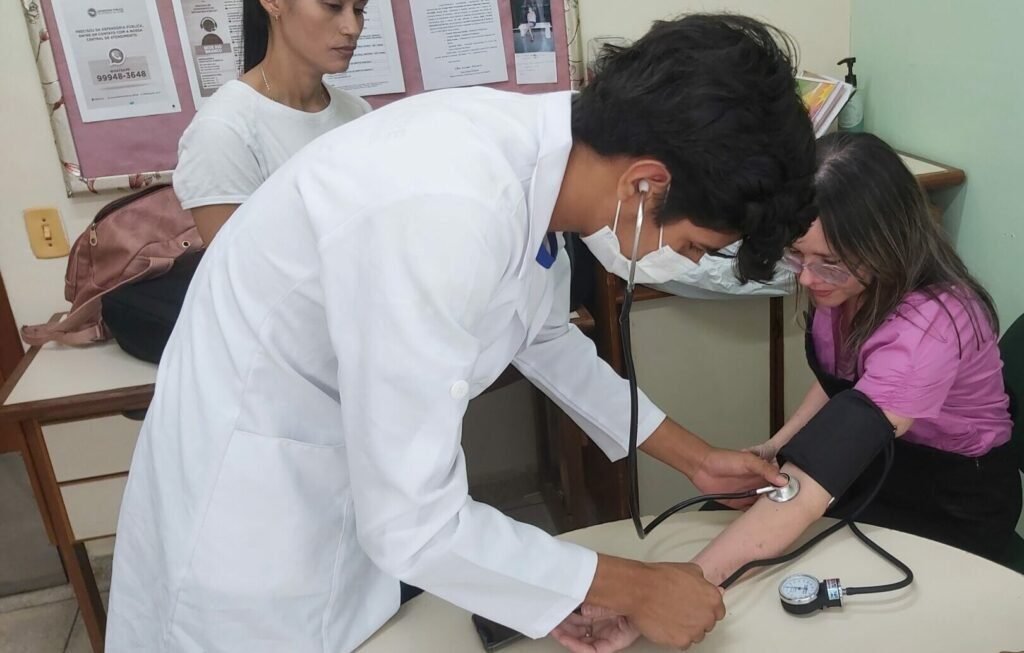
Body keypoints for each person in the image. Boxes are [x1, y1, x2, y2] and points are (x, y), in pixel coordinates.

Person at [105, 14, 816, 653]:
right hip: (246, 524)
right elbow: (413, 523)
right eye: (691, 244)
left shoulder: (544, 163)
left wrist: (692, 459)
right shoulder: (445, 208)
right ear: (646, 184)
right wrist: (636, 587)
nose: (684, 261)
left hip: (337, 492)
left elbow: (542, 337)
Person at [691, 132, 1022, 588]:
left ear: (886, 241)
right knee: (743, 529)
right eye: (796, 255)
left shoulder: (933, 324)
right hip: (882, 460)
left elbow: (839, 448)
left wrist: (688, 582)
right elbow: (841, 384)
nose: (808, 277)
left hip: (953, 496)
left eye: (829, 261)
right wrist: (776, 448)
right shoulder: (846, 285)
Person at [174, 0, 372, 245]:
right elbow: (240, 272)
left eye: (359, 10)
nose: (352, 28)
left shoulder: (357, 112)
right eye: (332, 6)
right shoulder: (222, 131)